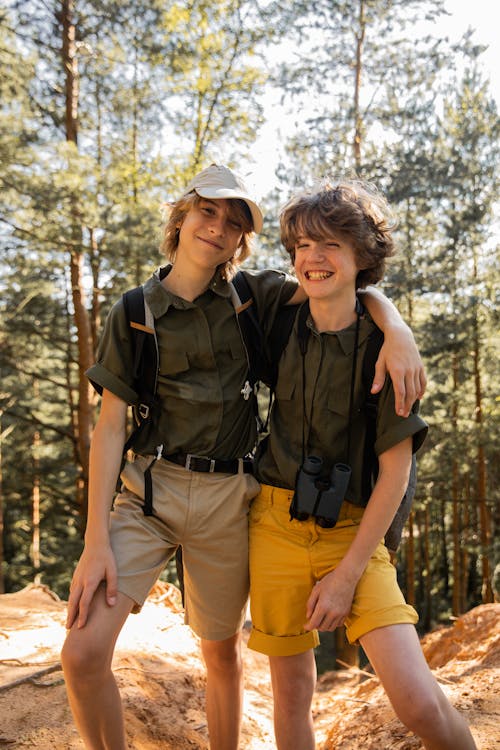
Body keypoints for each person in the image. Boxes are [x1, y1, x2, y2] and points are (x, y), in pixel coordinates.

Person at [61, 164, 426, 750]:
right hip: (147, 496)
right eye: (208, 211)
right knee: (80, 653)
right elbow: (109, 430)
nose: (218, 227)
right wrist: (94, 541)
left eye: (233, 223)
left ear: (241, 241)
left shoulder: (255, 299)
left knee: (222, 655)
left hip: (229, 498)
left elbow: (342, 285)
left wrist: (396, 325)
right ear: (181, 216)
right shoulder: (132, 311)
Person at [248, 179, 477, 750]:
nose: (312, 258)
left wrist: (348, 574)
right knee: (292, 696)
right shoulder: (279, 313)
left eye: (330, 245)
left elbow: (396, 475)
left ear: (362, 257)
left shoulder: (391, 356)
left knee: (419, 701)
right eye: (301, 244)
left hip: (356, 533)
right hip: (273, 524)